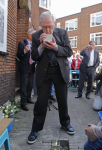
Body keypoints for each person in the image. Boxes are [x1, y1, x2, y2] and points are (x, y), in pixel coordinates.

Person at [27, 11, 74, 144]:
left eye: (50, 26)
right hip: (44, 72)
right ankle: (35, 129)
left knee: (62, 100)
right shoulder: (36, 36)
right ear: (41, 25)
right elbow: (34, 56)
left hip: (60, 71)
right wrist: (41, 46)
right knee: (41, 101)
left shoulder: (62, 33)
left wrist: (56, 47)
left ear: (55, 23)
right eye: (45, 27)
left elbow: (69, 51)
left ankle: (65, 123)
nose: (48, 30)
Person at [17, 29, 36, 111]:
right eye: (34, 34)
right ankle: (23, 103)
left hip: (32, 67)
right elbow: (18, 55)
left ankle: (28, 99)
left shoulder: (35, 45)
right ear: (29, 35)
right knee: (24, 86)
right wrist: (24, 51)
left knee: (30, 85)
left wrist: (37, 62)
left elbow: (36, 55)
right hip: (24, 67)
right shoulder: (22, 43)